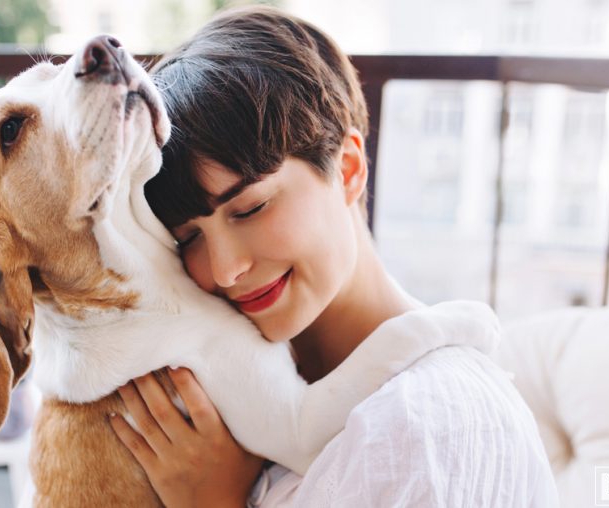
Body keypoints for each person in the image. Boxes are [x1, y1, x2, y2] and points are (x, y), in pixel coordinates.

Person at [107, 6, 558, 507]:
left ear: (346, 169)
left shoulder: (426, 428)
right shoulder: (222, 401)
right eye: (190, 237)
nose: (225, 268)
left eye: (251, 208)